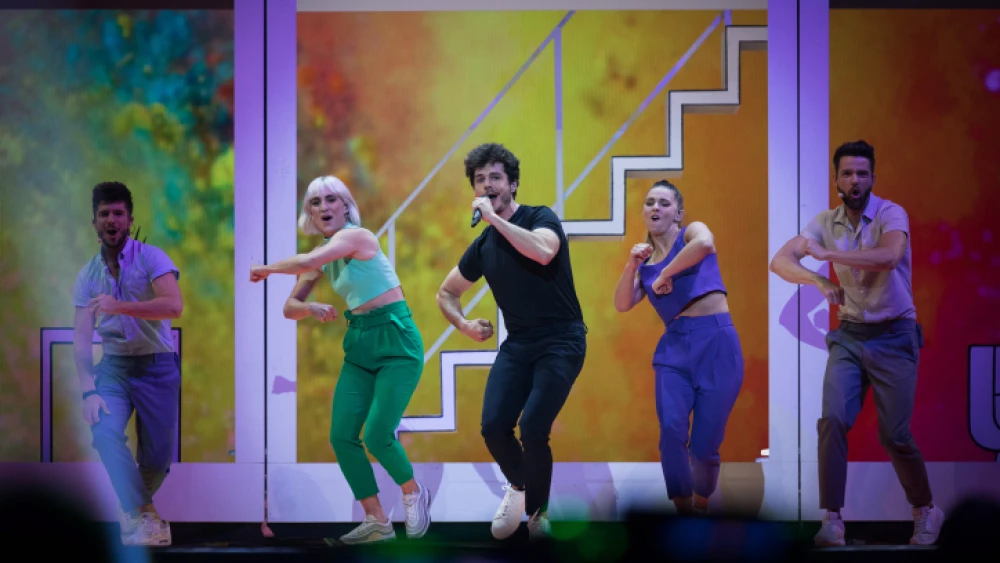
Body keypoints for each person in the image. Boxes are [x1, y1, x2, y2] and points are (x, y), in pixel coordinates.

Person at [769, 140, 944, 546]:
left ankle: (925, 510)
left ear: (872, 178)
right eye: (847, 173)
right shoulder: (824, 220)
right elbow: (780, 260)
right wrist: (818, 278)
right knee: (832, 420)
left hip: (894, 333)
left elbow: (887, 256)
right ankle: (832, 519)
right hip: (849, 335)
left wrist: (828, 255)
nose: (855, 180)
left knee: (894, 434)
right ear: (836, 180)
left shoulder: (890, 214)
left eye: (862, 173)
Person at [249, 175, 430, 545]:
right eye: (315, 203)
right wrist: (310, 307)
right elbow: (289, 307)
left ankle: (413, 492)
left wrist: (266, 269)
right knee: (342, 436)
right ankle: (376, 521)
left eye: (331, 199)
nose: (323, 208)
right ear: (310, 214)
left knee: (378, 434)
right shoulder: (325, 254)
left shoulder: (358, 237)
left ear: (345, 206)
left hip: (396, 340)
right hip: (360, 344)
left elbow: (312, 259)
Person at [436, 143, 587, 540]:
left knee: (534, 426)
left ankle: (538, 514)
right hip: (519, 344)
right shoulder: (482, 247)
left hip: (562, 339)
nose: (487, 185)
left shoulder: (540, 218)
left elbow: (542, 252)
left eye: (495, 178)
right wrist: (465, 326)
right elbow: (446, 293)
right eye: (480, 180)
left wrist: (493, 220)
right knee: (493, 427)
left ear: (512, 184)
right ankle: (520, 487)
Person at [613, 180, 743, 516]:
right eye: (649, 202)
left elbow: (705, 243)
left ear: (678, 213)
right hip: (674, 351)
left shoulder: (691, 232)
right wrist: (632, 266)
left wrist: (665, 273)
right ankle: (684, 515)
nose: (655, 208)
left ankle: (702, 504)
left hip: (717, 343)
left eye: (664, 203)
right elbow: (623, 304)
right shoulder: (644, 261)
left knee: (704, 446)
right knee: (671, 431)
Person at [73, 181, 183, 546]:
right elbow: (81, 339)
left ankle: (132, 511)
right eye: (104, 214)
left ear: (129, 219)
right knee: (104, 432)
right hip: (115, 369)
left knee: (157, 458)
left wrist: (119, 306)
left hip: (158, 365)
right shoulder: (87, 276)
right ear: (94, 223)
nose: (112, 220)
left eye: (118, 213)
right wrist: (88, 390)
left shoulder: (152, 258)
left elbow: (173, 306)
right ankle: (148, 517)